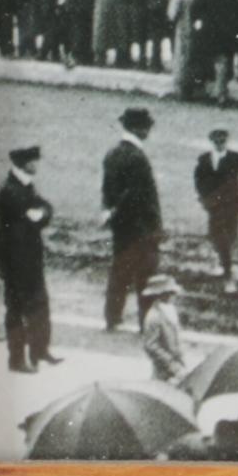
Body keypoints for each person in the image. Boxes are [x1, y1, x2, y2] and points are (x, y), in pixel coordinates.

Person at [0, 143, 60, 371]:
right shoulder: (10, 191)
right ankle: (17, 359)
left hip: (31, 259)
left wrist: (40, 214)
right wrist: (39, 215)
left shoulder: (25, 186)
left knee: (39, 304)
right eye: (34, 161)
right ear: (23, 163)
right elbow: (26, 221)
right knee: (18, 310)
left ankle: (39, 350)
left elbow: (45, 209)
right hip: (15, 262)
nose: (37, 165)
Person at [101, 103, 165, 330]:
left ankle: (112, 318)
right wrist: (155, 228)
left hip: (121, 227)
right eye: (146, 127)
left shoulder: (113, 153)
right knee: (146, 276)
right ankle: (145, 322)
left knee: (119, 271)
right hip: (142, 227)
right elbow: (137, 196)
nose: (148, 131)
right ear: (138, 129)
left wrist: (109, 212)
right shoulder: (137, 157)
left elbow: (108, 190)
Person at [192, 125, 238, 294]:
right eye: (216, 140)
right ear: (211, 141)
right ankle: (226, 269)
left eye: (222, 140)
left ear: (226, 140)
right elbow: (198, 179)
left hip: (233, 204)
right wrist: (203, 197)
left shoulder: (236, 158)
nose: (219, 143)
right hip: (214, 205)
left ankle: (226, 270)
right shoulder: (204, 159)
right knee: (216, 236)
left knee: (228, 236)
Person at [139, 272, 192, 385]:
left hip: (177, 363)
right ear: (159, 295)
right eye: (168, 293)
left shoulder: (170, 309)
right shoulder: (154, 316)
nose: (172, 296)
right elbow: (151, 346)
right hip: (164, 368)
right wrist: (171, 364)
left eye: (172, 293)